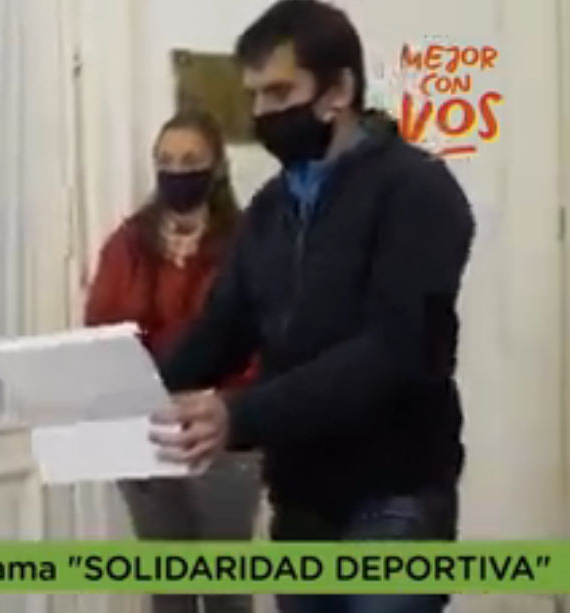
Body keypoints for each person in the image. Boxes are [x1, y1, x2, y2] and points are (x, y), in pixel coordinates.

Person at [148, 2, 475, 612]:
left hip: (394, 498)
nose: (262, 113)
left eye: (279, 92)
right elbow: (225, 328)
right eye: (254, 95)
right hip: (300, 502)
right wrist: (127, 385)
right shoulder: (270, 209)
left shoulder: (418, 191)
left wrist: (238, 415)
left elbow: (392, 352)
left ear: (339, 91)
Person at [85, 109, 262, 613]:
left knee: (227, 591)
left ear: (217, 167)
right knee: (168, 589)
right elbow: (100, 327)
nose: (176, 172)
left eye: (190, 160)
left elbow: (263, 334)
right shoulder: (129, 243)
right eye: (165, 161)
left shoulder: (246, 241)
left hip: (223, 433)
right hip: (145, 433)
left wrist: (231, 402)